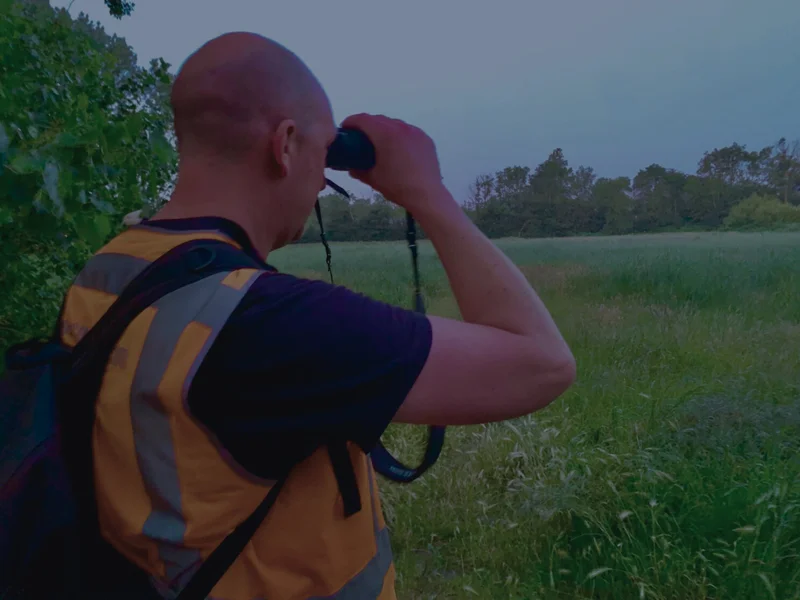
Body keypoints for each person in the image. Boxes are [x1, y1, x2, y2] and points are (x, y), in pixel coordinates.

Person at [58, 31, 576, 600]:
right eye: (323, 155)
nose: (318, 184)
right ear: (284, 145)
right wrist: (428, 193)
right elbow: (543, 363)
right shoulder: (270, 322)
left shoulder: (108, 270)